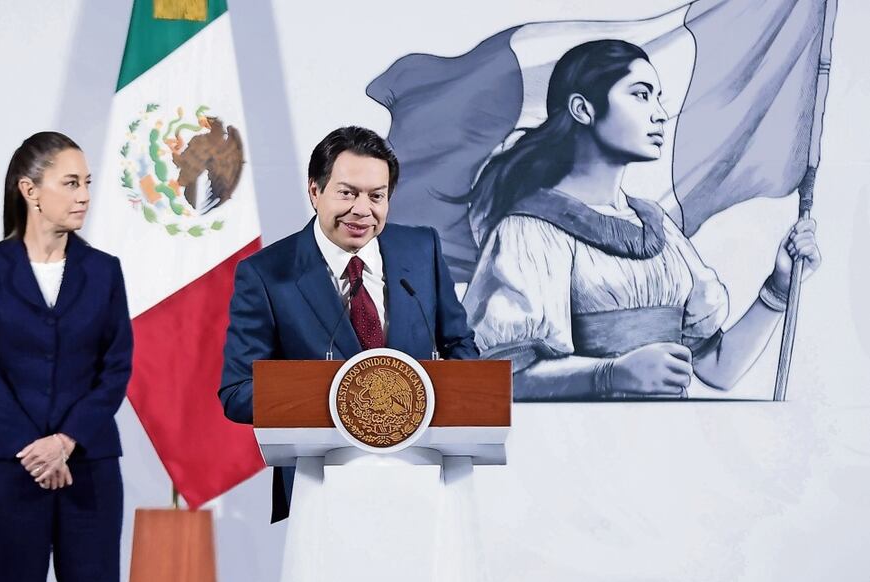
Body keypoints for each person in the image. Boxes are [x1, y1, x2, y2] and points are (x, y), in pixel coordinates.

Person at [462, 40, 822, 400]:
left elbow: (717, 368)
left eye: (658, 96)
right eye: (641, 94)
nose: (660, 113)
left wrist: (779, 287)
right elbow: (491, 380)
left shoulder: (659, 227)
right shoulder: (529, 231)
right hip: (579, 449)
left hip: (666, 445)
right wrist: (611, 374)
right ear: (582, 109)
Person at [219, 126, 478, 521]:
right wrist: (345, 400)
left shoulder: (421, 250)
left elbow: (462, 350)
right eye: (347, 193)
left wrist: (431, 395)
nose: (362, 209)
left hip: (420, 482)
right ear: (314, 192)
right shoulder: (266, 274)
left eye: (376, 196)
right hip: (319, 491)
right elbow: (237, 393)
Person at [0, 131, 133, 582]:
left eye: (87, 184)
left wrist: (65, 441)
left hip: (91, 470)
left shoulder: (104, 270)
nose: (84, 195)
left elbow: (117, 367)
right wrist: (35, 446)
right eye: (71, 183)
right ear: (30, 190)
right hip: (13, 469)